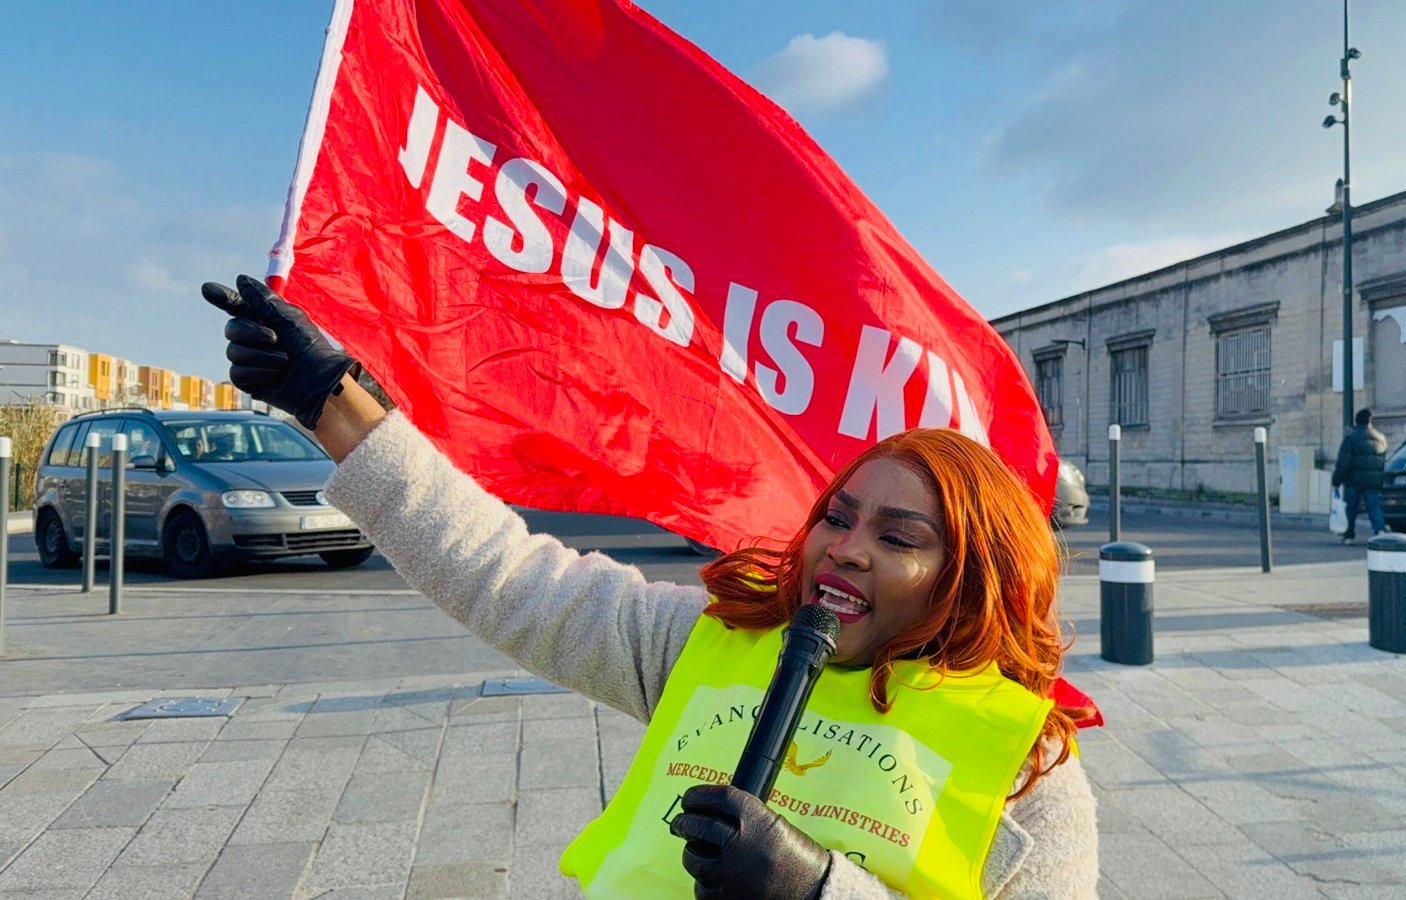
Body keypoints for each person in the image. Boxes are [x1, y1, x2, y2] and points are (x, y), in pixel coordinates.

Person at [202, 275, 1100, 898]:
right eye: (838, 516)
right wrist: (335, 401)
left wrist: (817, 888)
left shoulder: (1028, 775)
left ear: (972, 579)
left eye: (898, 537)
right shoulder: (707, 645)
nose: (847, 549)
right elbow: (510, 578)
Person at [1331, 408, 1388, 545]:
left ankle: (1348, 535)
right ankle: (1380, 530)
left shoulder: (1350, 438)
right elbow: (1382, 460)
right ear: (1370, 421)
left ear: (1356, 421)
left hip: (1353, 479)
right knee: (1374, 507)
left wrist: (1336, 482)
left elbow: (1342, 463)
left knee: (1350, 508)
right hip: (1374, 480)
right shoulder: (1381, 438)